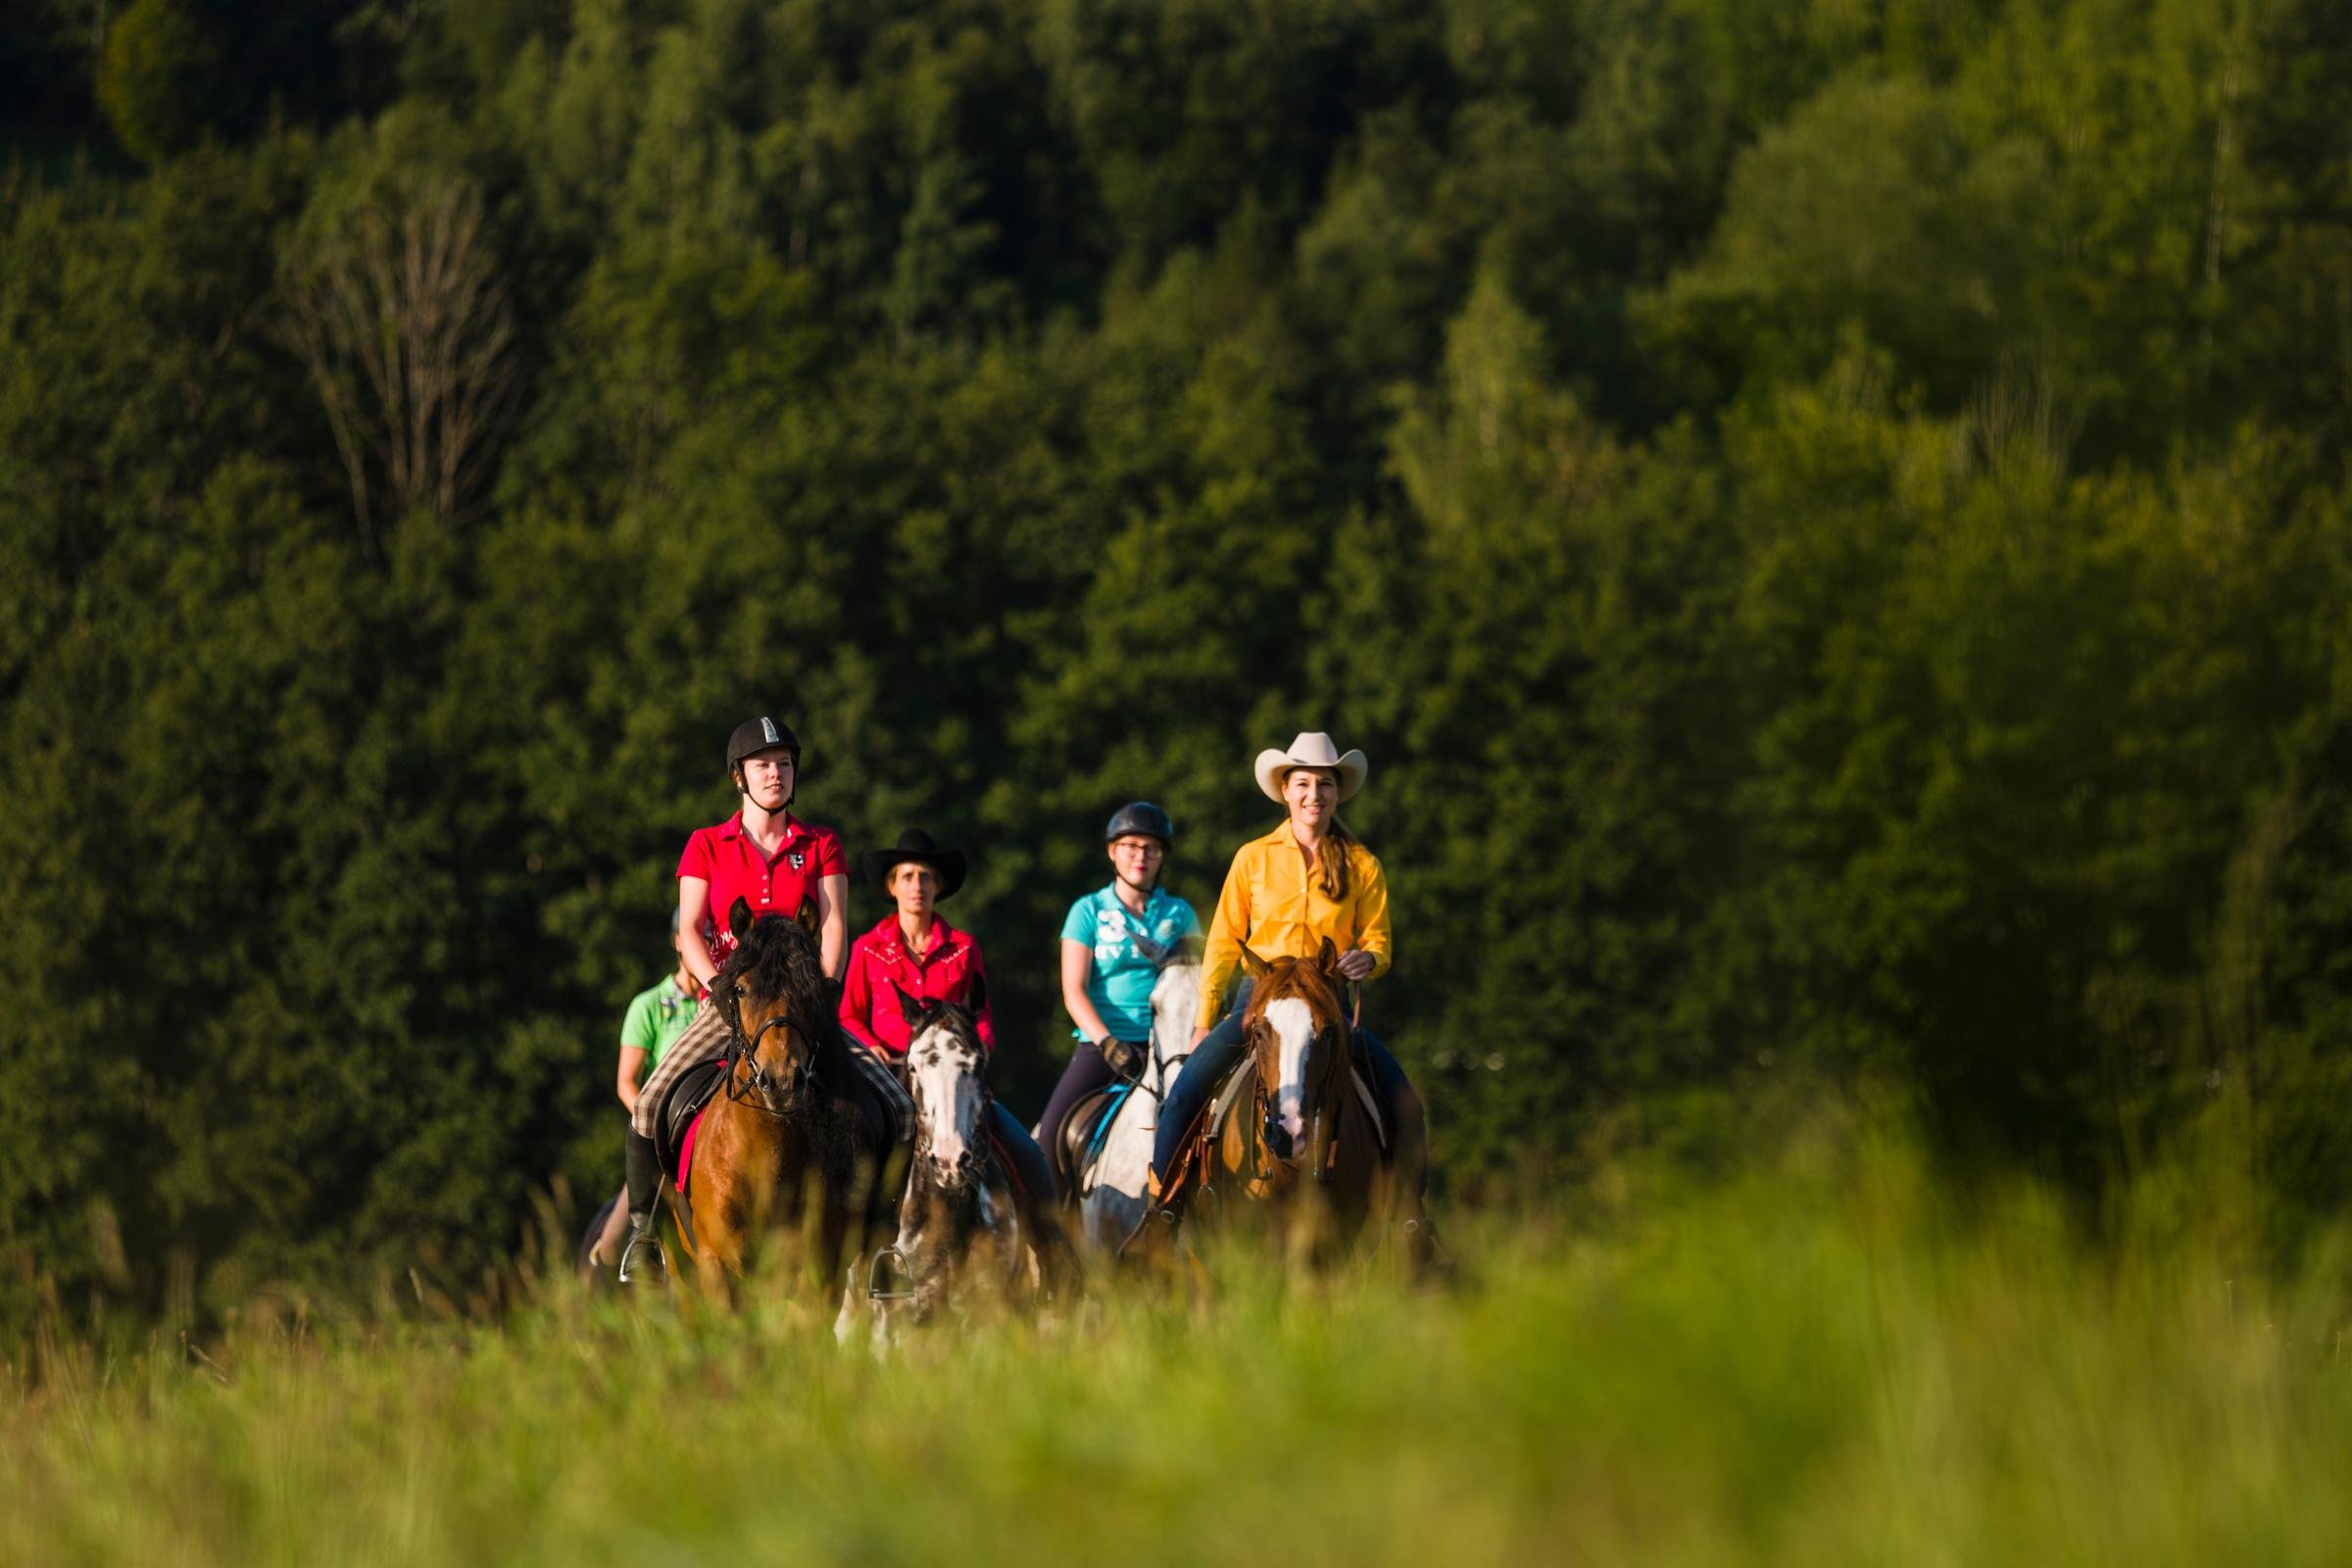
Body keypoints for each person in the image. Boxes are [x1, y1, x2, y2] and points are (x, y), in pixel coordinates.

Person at [617, 718, 913, 1285]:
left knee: (898, 1108)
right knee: (649, 1106)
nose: (776, 774)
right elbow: (692, 930)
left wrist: (825, 988)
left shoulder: (822, 844)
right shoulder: (706, 844)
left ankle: (883, 1244)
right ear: (739, 777)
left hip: (804, 1008)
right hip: (730, 1003)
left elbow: (833, 926)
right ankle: (643, 1237)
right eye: (762, 765)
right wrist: (717, 989)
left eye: (784, 764)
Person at [1126, 732, 1434, 1265]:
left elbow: (1379, 940)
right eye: (1304, 784)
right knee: (1185, 1092)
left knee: (1402, 1099)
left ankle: (1414, 1224)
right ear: (1286, 792)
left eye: (1325, 784)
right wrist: (1204, 1020)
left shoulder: (1362, 864)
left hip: (1327, 1002)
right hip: (1260, 999)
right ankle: (1163, 1212)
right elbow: (1223, 941)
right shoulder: (1252, 858)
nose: (1315, 794)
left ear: (1337, 793)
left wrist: (1369, 960)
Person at [838, 828, 1056, 1205]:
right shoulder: (867, 949)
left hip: (954, 1079)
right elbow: (848, 1016)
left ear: (937, 885)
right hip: (888, 1078)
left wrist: (979, 1050)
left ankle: (1047, 1232)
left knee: (1028, 1153)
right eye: (907, 876)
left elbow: (981, 1017)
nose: (917, 886)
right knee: (847, 1154)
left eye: (925, 877)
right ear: (892, 886)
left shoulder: (964, 948)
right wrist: (870, 1046)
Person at [1035, 803, 1201, 1199]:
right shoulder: (1087, 911)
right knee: (1048, 1140)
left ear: (1162, 856)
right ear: (1112, 851)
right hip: (1104, 1047)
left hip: (1172, 1046)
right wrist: (1107, 1042)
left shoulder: (1179, 913)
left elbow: (1199, 982)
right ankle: (1046, 1226)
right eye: (1130, 846)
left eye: (1151, 848)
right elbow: (1074, 990)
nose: (1140, 856)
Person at [588, 910, 701, 1269]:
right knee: (612, 1243)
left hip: (707, 1131)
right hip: (663, 1134)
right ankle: (633, 1247)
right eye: (697, 937)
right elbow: (626, 1082)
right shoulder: (649, 1006)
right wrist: (655, 1125)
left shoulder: (724, 1007)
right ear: (679, 942)